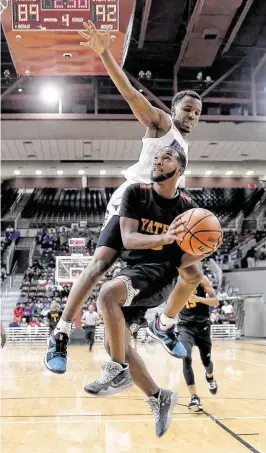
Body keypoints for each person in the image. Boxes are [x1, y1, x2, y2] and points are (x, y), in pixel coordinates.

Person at [44, 20, 203, 374]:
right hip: (131, 199)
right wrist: (105, 55)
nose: (192, 115)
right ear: (175, 109)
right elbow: (133, 94)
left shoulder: (184, 147)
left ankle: (163, 323)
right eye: (187, 109)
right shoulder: (162, 124)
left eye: (197, 112)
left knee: (190, 270)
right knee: (100, 263)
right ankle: (60, 334)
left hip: (159, 208)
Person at [84, 147, 218, 399]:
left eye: (166, 158)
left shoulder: (188, 208)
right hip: (131, 271)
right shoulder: (135, 192)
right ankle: (159, 397)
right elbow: (129, 239)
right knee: (114, 344)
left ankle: (118, 369)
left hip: (159, 275)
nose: (158, 161)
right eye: (156, 158)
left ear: (179, 169)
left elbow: (183, 262)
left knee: (107, 294)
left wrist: (204, 250)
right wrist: (164, 237)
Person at [178, 275, 219, 412]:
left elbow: (216, 302)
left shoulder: (201, 278)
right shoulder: (173, 280)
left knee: (206, 361)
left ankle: (210, 377)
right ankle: (194, 397)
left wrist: (199, 299)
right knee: (185, 357)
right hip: (185, 326)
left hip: (203, 326)